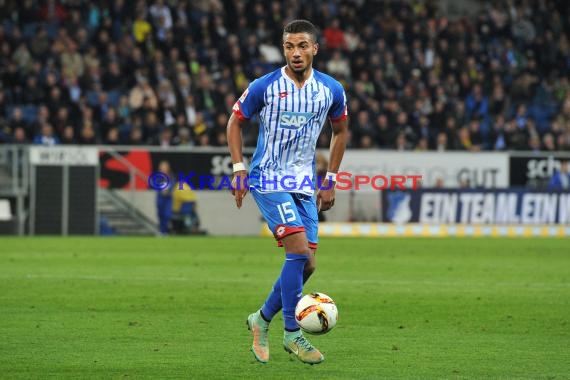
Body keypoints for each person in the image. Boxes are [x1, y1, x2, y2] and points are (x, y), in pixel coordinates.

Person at [226, 20, 349, 365]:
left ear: (314, 49)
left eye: (302, 46)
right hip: (267, 178)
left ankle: (261, 319)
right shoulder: (264, 86)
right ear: (284, 50)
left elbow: (340, 132)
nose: (295, 53)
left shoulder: (331, 89)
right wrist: (239, 169)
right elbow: (235, 122)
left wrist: (330, 179)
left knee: (307, 264)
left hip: (304, 184)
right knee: (296, 249)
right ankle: (293, 334)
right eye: (289, 47)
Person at [156, 160, 174, 235]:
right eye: (162, 167)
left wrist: (168, 191)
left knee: (167, 215)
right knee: (160, 214)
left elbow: (172, 185)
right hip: (160, 198)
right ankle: (161, 231)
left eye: (165, 167)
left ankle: (166, 231)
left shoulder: (171, 176)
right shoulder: (158, 176)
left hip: (168, 199)